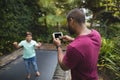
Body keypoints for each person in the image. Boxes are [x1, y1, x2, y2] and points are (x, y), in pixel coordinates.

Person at [53, 8, 101, 80]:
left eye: (68, 23)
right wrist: (73, 39)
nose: (68, 25)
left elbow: (64, 66)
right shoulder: (96, 34)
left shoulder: (74, 47)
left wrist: (58, 46)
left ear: (71, 20)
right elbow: (87, 43)